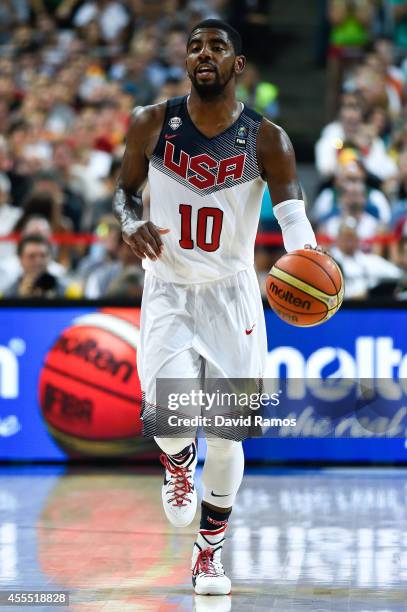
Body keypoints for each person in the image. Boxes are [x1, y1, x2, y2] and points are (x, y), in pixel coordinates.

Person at [113, 19, 317, 596]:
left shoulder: (267, 139)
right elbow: (125, 195)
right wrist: (131, 224)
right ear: (186, 62)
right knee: (173, 420)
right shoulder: (151, 123)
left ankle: (209, 556)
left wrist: (311, 266)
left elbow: (294, 221)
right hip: (169, 287)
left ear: (238, 65)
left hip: (233, 294)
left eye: (218, 46)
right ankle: (178, 463)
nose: (205, 53)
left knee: (228, 439)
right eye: (196, 46)